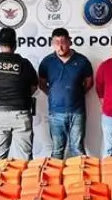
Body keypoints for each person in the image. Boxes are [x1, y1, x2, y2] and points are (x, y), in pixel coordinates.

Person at [0, 28, 38, 160]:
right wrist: (22, 94)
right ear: (15, 44)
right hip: (21, 113)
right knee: (25, 158)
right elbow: (34, 87)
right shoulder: (25, 63)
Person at [39, 28, 93, 159]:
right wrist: (53, 95)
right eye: (56, 42)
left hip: (77, 112)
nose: (60, 46)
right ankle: (55, 173)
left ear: (70, 42)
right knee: (57, 151)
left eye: (63, 42)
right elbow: (42, 84)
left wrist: (77, 94)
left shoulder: (82, 61)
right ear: (52, 43)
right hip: (55, 113)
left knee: (77, 150)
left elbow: (89, 83)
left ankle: (80, 173)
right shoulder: (47, 62)